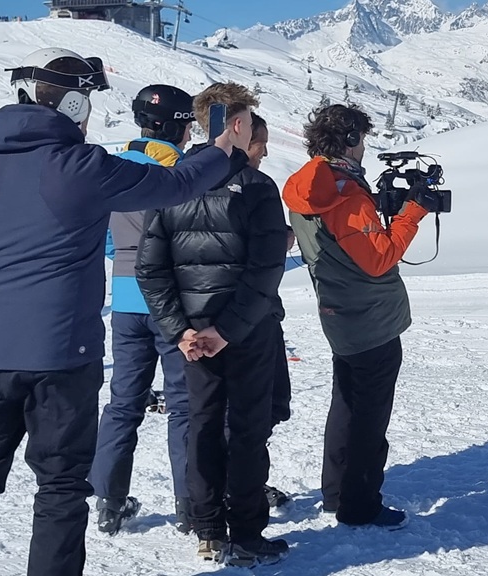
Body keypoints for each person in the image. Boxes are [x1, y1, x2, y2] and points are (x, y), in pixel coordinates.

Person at [0, 47, 235, 576]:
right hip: (63, 357)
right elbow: (177, 183)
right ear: (71, 106)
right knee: (61, 489)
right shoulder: (82, 166)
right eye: (85, 102)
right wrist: (225, 148)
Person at [136, 82, 288, 567]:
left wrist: (177, 328)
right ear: (237, 124)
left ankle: (207, 528)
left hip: (194, 336)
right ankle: (245, 530)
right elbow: (266, 270)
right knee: (246, 429)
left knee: (201, 424)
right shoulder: (258, 187)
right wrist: (227, 330)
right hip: (244, 332)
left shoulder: (174, 181)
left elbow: (149, 268)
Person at [282, 104, 438, 529]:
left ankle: (336, 492)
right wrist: (412, 213)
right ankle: (360, 503)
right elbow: (379, 258)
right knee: (369, 414)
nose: (365, 148)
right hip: (371, 316)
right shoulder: (344, 193)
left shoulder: (309, 186)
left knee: (347, 405)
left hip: (338, 309)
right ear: (350, 141)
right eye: (363, 140)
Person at [91, 84, 197, 536]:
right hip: (172, 298)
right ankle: (191, 502)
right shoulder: (181, 171)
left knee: (123, 403)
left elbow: (109, 242)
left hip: (126, 299)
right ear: (177, 125)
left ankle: (109, 501)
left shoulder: (112, 165)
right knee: (184, 405)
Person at [246, 112, 292, 509]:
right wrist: (285, 238)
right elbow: (267, 252)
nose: (265, 151)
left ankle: (206, 503)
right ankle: (246, 489)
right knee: (261, 407)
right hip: (255, 315)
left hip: (204, 313)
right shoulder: (258, 186)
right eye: (261, 142)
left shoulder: (188, 177)